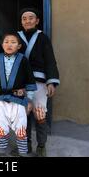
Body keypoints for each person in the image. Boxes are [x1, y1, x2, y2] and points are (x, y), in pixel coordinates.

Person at [17, 8, 60, 157]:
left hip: (39, 83)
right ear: (21, 22)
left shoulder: (43, 38)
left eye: (31, 18)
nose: (27, 20)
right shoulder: (16, 38)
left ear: (37, 21)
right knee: (22, 114)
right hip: (20, 82)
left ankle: (41, 146)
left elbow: (50, 61)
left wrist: (51, 82)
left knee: (40, 113)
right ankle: (25, 144)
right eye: (24, 18)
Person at [0, 33, 37, 157]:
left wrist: (29, 100)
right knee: (1, 126)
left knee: (21, 128)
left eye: (13, 42)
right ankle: (1, 153)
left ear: (19, 46)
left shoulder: (23, 60)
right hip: (1, 101)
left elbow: (30, 80)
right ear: (2, 44)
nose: (9, 44)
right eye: (6, 42)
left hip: (19, 101)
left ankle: (23, 153)